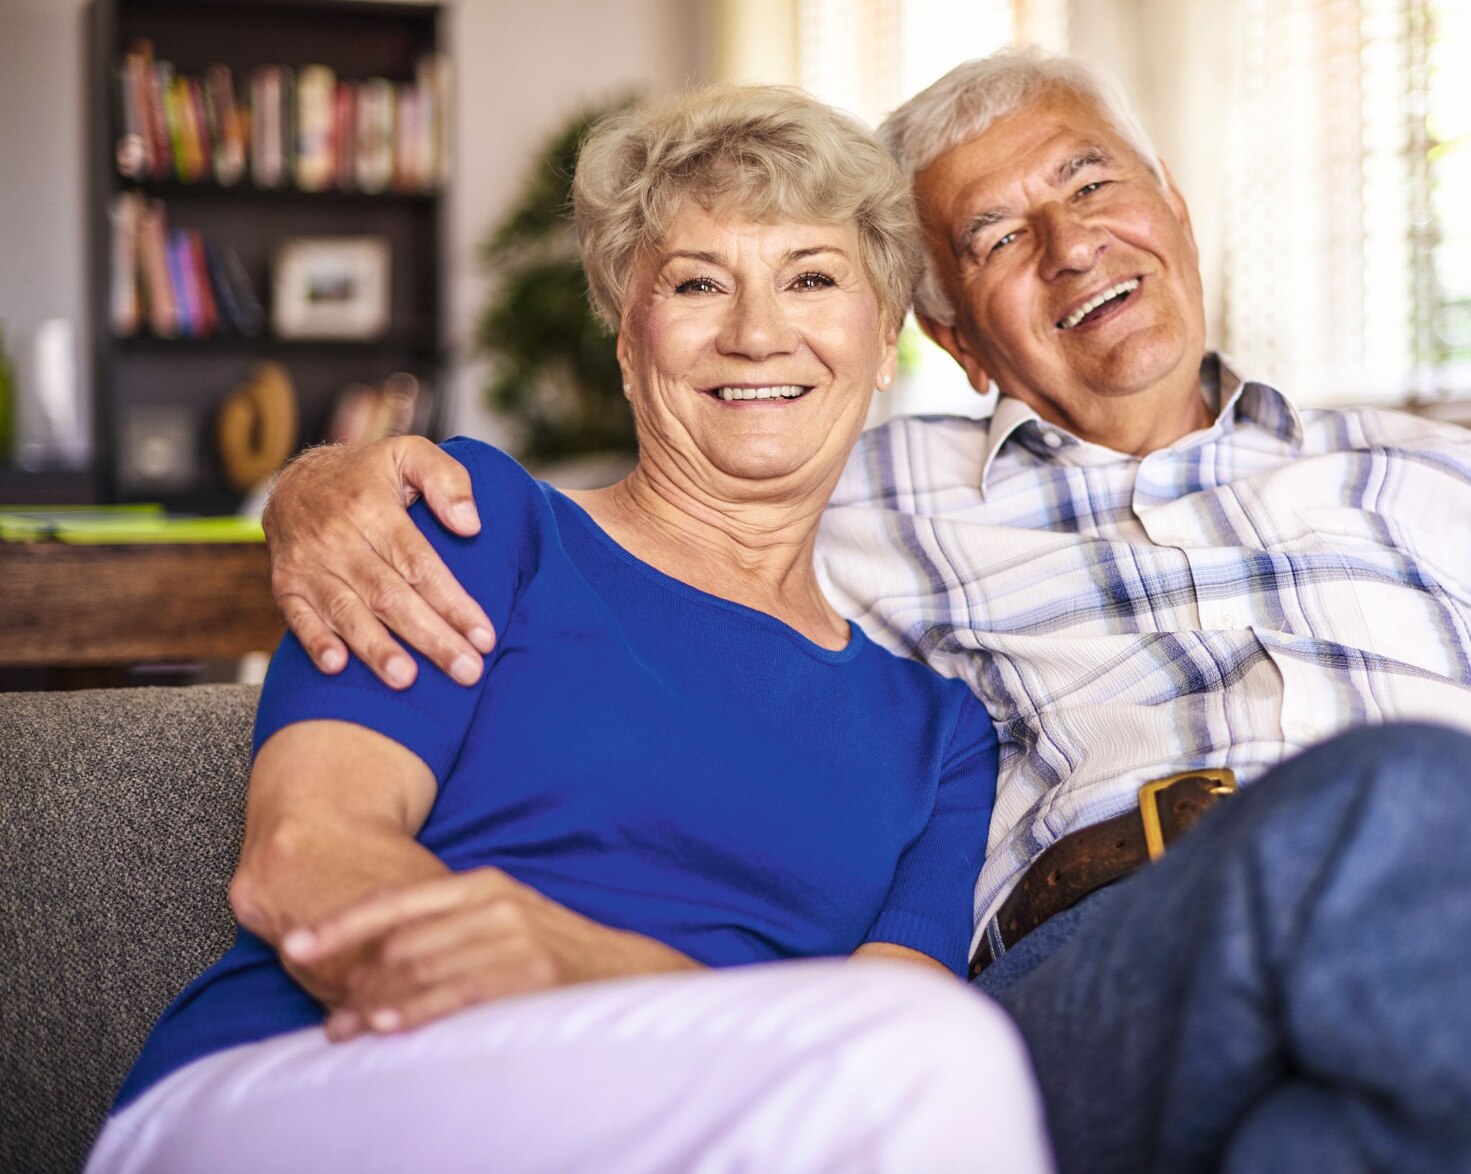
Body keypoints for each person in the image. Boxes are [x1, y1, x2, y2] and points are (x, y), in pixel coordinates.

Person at [259, 51, 1471, 1171]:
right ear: (955, 340)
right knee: (1420, 795)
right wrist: (321, 483)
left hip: (1463, 949)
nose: (1068, 243)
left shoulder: (1436, 474)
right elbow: (604, 523)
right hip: (1105, 970)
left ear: (1172, 208)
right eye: (993, 236)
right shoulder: (848, 480)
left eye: (1092, 182)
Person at [86, 85, 1054, 1174]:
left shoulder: (938, 733)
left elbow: (883, 1039)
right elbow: (304, 859)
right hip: (316, 1069)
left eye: (812, 278)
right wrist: (544, 987)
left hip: (702, 1121)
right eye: (697, 283)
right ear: (627, 340)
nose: (755, 333)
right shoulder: (473, 521)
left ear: (883, 340)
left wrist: (591, 968)